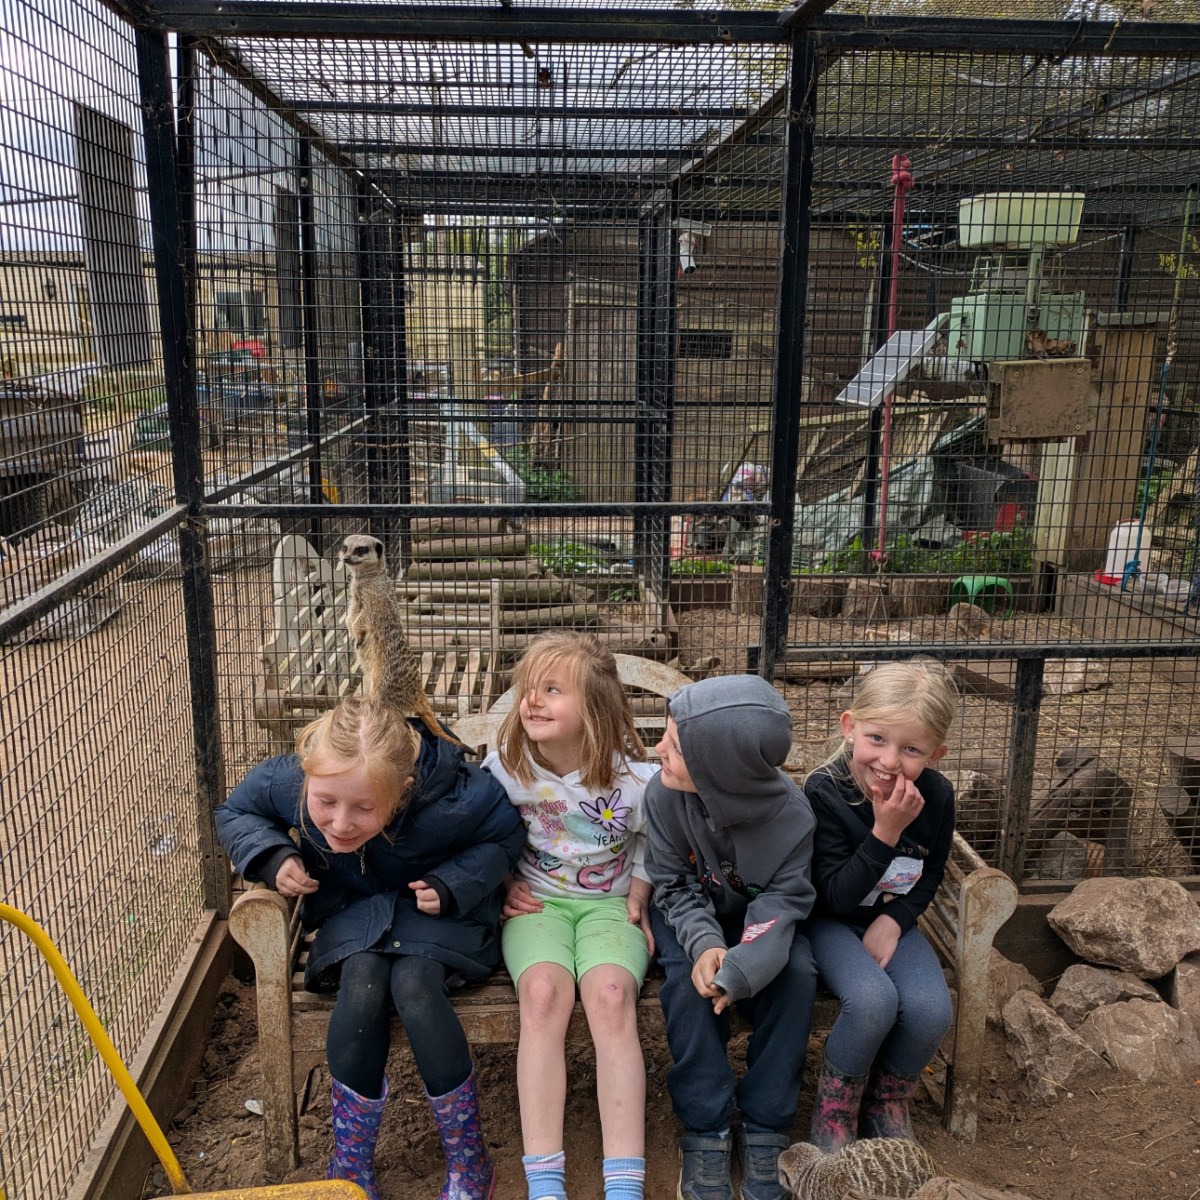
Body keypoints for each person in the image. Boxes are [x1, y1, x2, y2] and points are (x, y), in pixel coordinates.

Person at [214, 696, 525, 1200]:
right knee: (360, 986)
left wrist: (454, 883)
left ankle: (469, 1162)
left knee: (415, 986)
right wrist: (273, 855)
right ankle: (350, 1163)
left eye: (363, 807)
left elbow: (505, 835)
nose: (339, 823)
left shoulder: (456, 796)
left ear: (402, 793)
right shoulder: (289, 780)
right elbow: (236, 811)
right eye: (325, 803)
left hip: (439, 915)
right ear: (309, 775)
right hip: (353, 913)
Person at [482, 631, 657, 1200]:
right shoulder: (505, 772)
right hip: (537, 904)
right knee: (541, 996)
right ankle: (545, 1181)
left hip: (610, 906)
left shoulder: (634, 783)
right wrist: (503, 881)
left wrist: (642, 887)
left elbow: (663, 837)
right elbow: (478, 835)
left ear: (595, 708)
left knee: (610, 996)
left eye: (552, 690)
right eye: (528, 688)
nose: (532, 700)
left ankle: (625, 1182)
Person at [645, 674, 818, 1200]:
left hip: (759, 924)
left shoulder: (793, 819)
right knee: (685, 987)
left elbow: (783, 904)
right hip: (688, 918)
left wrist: (740, 968)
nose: (657, 750)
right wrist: (703, 946)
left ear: (720, 771)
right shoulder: (664, 795)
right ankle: (706, 1124)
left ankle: (766, 1122)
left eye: (673, 746)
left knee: (797, 976)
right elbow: (672, 884)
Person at [802, 658, 958, 1153]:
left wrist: (897, 919)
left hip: (891, 921)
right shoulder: (825, 792)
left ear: (935, 753)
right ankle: (835, 1109)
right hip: (828, 923)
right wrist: (886, 831)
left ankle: (886, 1101)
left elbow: (931, 870)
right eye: (878, 739)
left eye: (911, 749)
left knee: (932, 1009)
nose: (890, 762)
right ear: (850, 728)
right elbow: (830, 895)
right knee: (872, 1002)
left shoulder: (936, 796)